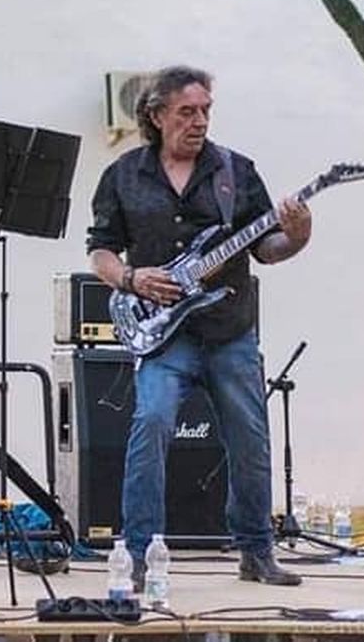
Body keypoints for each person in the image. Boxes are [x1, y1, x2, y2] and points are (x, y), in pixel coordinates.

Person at [87, 65, 310, 588]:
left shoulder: (236, 171)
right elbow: (99, 251)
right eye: (187, 111)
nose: (200, 121)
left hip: (230, 329)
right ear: (156, 114)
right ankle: (139, 553)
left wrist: (298, 234)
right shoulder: (123, 175)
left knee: (250, 439)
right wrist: (132, 277)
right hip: (165, 335)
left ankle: (257, 552)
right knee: (153, 423)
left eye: (206, 110)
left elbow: (268, 248)